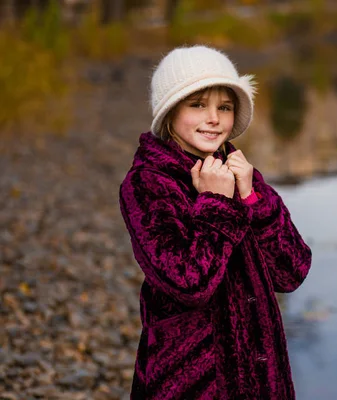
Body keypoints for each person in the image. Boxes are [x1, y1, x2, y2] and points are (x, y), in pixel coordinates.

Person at [118, 45, 312, 399]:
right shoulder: (148, 183)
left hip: (262, 378)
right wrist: (216, 202)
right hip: (192, 382)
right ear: (170, 112)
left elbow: (292, 271)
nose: (215, 119)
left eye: (224, 107)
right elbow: (190, 284)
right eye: (198, 105)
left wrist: (254, 199)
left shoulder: (238, 171)